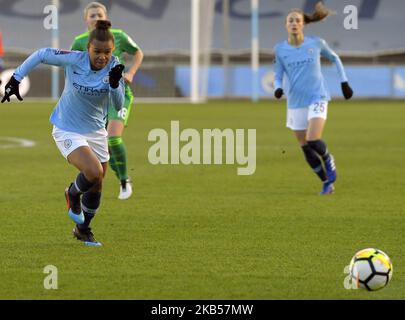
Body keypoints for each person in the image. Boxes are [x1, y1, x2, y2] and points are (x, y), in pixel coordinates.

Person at [1, 20, 125, 246]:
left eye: (107, 52)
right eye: (97, 51)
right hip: (67, 128)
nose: (102, 57)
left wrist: (116, 84)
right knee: (93, 171)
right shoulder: (74, 59)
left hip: (96, 130)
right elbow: (42, 54)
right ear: (88, 48)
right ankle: (72, 193)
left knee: (97, 183)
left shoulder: (114, 67)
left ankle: (83, 229)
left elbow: (117, 105)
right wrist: (16, 78)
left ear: (112, 51)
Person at [273, 2, 353, 195]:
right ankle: (326, 182)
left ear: (303, 24)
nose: (294, 23)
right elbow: (278, 74)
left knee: (313, 139)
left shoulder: (315, 43)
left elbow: (335, 58)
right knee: (305, 148)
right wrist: (277, 88)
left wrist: (344, 82)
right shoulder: (280, 49)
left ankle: (328, 158)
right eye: (290, 20)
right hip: (295, 101)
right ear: (286, 25)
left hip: (317, 97)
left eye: (297, 20)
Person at [71, 2, 144, 200]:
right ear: (86, 20)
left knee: (112, 137)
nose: (97, 18)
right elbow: (73, 69)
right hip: (94, 102)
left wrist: (131, 73)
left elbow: (138, 52)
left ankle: (124, 180)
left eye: (100, 15)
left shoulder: (118, 36)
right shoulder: (79, 42)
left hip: (118, 95)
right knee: (100, 147)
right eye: (92, 15)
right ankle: (93, 184)